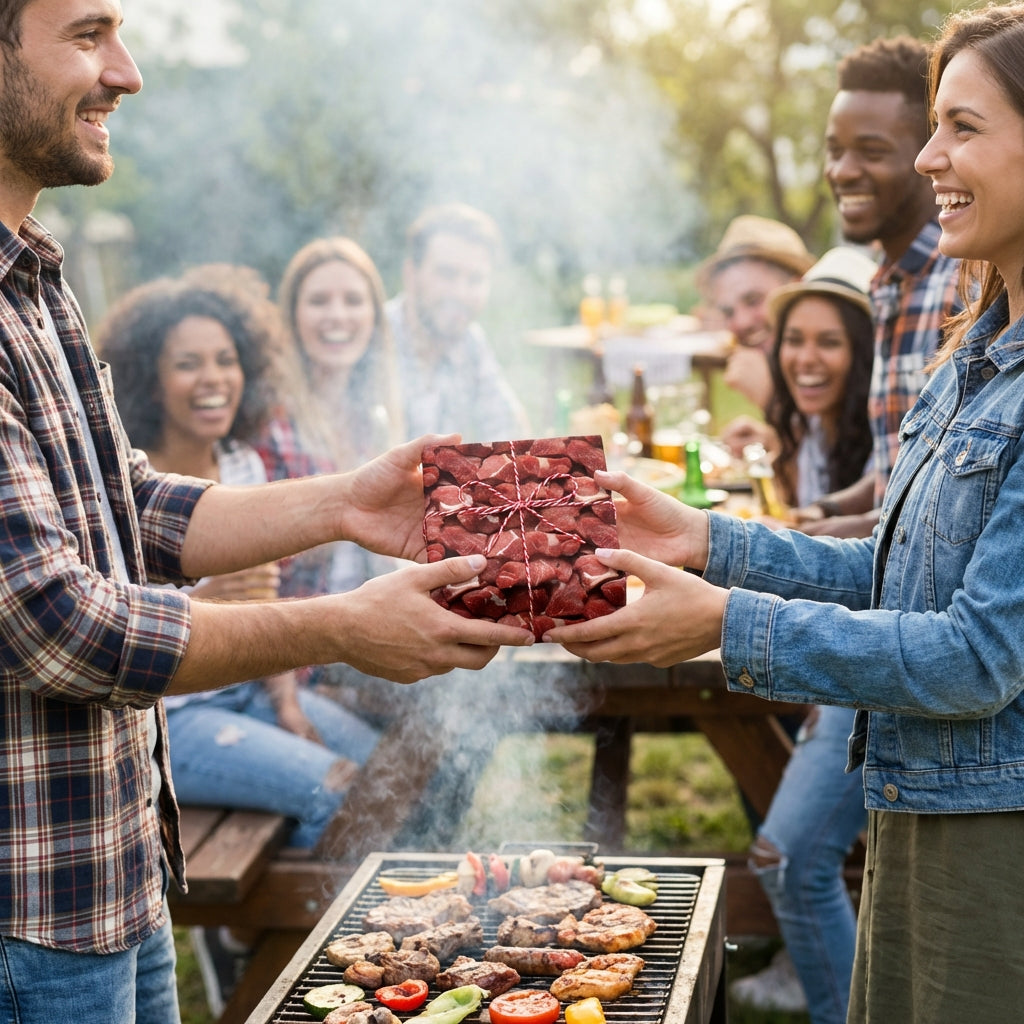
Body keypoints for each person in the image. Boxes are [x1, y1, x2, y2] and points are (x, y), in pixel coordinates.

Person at [0, 5, 533, 1022]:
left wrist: (347, 502)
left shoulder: (35, 278)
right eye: (88, 35)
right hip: (28, 911)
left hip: (115, 870)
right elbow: (55, 622)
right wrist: (342, 626)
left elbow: (137, 507)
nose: (128, 72)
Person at [549, 7, 1024, 1020]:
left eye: (963, 128)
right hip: (916, 805)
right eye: (933, 125)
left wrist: (725, 625)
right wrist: (710, 543)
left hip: (996, 833)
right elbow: (893, 577)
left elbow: (976, 657)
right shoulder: (970, 362)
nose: (932, 155)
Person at [97, 269, 380, 850]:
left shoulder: (244, 465)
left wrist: (287, 701)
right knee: (334, 791)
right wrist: (208, 601)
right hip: (169, 716)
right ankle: (261, 939)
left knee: (384, 771)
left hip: (250, 688)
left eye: (227, 360)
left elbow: (265, 604)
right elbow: (109, 629)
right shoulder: (114, 488)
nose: (214, 380)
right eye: (187, 364)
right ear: (148, 380)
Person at [729, 247, 876, 1023]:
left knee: (790, 857)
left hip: (877, 666)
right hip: (842, 658)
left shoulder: (877, 443)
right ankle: (805, 961)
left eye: (830, 341)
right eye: (795, 339)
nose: (805, 359)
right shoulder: (814, 436)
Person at [795, 35, 961, 538]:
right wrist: (826, 510)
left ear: (928, 155)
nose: (842, 171)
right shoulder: (887, 284)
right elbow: (906, 464)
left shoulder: (960, 285)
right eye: (834, 150)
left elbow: (953, 506)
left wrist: (831, 537)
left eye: (871, 152)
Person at [257, 235, 405, 597]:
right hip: (296, 640)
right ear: (293, 315)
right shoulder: (267, 419)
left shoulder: (377, 413)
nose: (337, 315)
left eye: (353, 300)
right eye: (319, 301)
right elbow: (256, 556)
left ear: (374, 317)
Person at [385, 202, 531, 443]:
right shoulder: (371, 335)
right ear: (411, 274)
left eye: (475, 279)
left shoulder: (470, 340)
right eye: (447, 274)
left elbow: (509, 429)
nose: (461, 293)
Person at [695, 214, 815, 446]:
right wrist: (771, 438)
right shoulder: (781, 364)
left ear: (797, 288)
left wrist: (771, 401)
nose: (740, 323)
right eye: (729, 312)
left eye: (753, 300)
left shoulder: (835, 363)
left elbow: (831, 473)